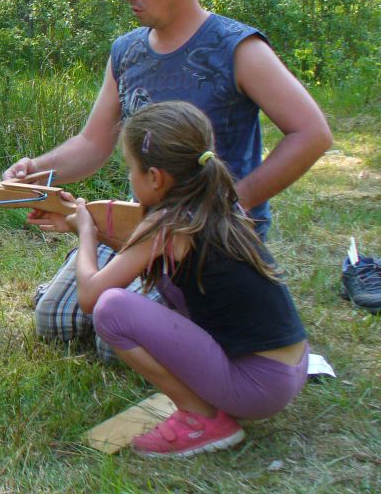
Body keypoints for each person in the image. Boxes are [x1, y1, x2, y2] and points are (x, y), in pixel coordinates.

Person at [3, 0, 331, 359]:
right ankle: (110, 277)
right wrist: (35, 171)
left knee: (111, 343)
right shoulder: (126, 52)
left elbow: (312, 133)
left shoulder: (238, 48)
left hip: (209, 242)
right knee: (54, 321)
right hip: (141, 229)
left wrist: (230, 203)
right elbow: (93, 144)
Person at [64, 101, 308, 456]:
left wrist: (86, 232)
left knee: (110, 309)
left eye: (130, 168)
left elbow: (90, 296)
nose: (129, 177)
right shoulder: (213, 204)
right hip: (287, 369)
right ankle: (211, 405)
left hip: (256, 386)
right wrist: (84, 223)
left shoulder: (167, 224)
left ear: (154, 177)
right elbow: (138, 255)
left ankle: (200, 419)